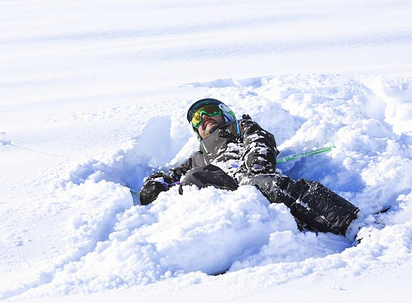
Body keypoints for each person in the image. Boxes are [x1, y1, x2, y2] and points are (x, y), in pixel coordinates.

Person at [138, 98, 361, 239]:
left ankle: (352, 224)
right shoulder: (198, 158)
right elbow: (170, 176)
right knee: (192, 179)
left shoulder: (238, 127)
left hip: (247, 173)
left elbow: (259, 139)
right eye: (198, 118)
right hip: (219, 189)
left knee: (270, 186)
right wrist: (155, 183)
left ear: (224, 113)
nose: (204, 118)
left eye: (209, 111)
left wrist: (256, 162)